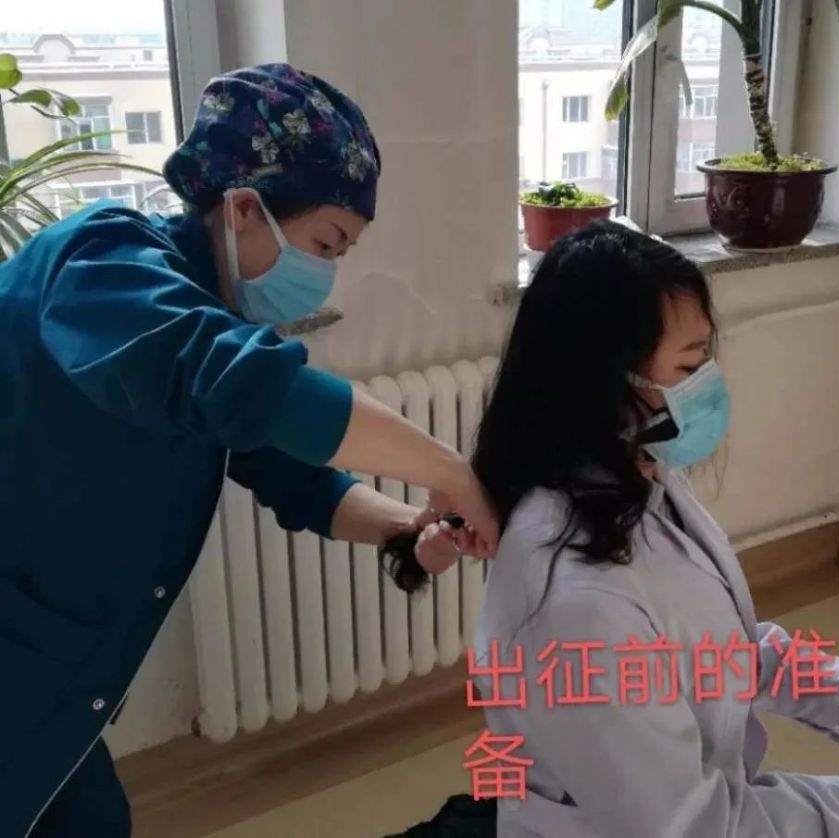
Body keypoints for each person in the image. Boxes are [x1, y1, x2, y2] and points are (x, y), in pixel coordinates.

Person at [0, 63, 496, 837]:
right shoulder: (100, 263)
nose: (326, 273)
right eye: (325, 243)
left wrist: (410, 528)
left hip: (58, 680)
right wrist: (452, 473)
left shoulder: (207, 315)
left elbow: (297, 477)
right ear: (240, 208)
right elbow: (251, 387)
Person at [466, 221, 839, 836]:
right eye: (691, 364)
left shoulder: (638, 480)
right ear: (604, 383)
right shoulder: (577, 602)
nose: (709, 385)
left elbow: (710, 647)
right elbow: (700, 827)